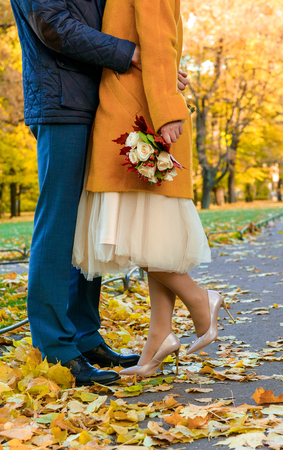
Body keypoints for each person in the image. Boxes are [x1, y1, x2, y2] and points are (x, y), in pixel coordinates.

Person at [10, 0, 189, 386]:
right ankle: (54, 346)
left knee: (86, 223)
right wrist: (136, 56)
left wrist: (156, 73)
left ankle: (85, 336)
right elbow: (53, 25)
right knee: (60, 222)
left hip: (98, 103)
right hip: (62, 104)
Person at [72, 0, 234, 378]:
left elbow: (161, 40)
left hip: (141, 118)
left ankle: (200, 299)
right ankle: (159, 338)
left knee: (136, 234)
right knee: (150, 235)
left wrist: (167, 111)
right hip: (133, 109)